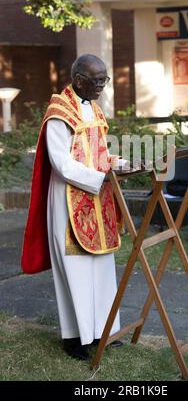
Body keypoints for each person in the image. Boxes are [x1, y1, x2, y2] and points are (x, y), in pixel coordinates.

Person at [21, 54, 125, 360]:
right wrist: (99, 177)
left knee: (102, 267)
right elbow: (61, 162)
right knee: (76, 270)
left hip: (97, 197)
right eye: (98, 81)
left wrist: (123, 165)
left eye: (104, 80)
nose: (102, 87)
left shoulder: (93, 107)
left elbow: (101, 152)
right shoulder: (59, 113)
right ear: (79, 80)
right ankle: (76, 337)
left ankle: (105, 330)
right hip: (69, 199)